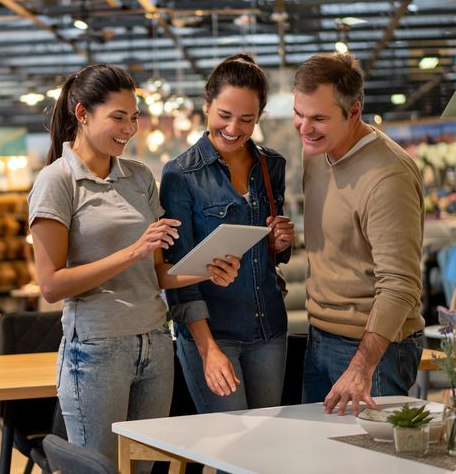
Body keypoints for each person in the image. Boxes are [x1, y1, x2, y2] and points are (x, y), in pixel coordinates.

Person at [28, 64, 239, 466]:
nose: (130, 128)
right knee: (100, 467)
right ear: (83, 114)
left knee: (146, 466)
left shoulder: (140, 176)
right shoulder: (56, 182)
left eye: (134, 117)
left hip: (156, 344)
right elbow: (51, 286)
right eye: (118, 117)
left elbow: (158, 272)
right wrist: (132, 251)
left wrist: (207, 269)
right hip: (95, 351)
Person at [159, 54, 295, 414]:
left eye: (246, 119)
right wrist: (207, 349)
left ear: (259, 117)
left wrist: (279, 243)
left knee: (267, 450)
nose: (234, 128)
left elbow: (269, 253)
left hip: (269, 330)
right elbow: (178, 275)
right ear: (207, 106)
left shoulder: (271, 166)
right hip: (213, 334)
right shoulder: (180, 176)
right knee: (230, 452)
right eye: (224, 115)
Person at [293, 52, 425, 415]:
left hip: (373, 351)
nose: (305, 128)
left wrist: (361, 367)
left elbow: (400, 284)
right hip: (319, 336)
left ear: (354, 112)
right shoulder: (317, 152)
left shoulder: (388, 177)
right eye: (299, 114)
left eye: (319, 118)